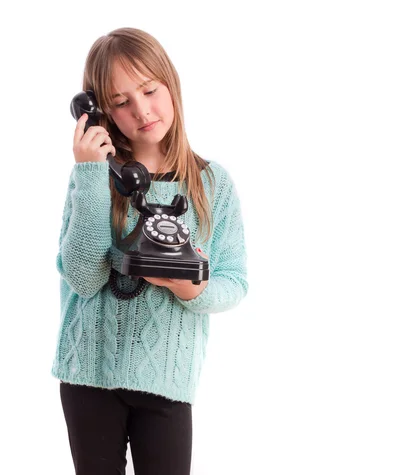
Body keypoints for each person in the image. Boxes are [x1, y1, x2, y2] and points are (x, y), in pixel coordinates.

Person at [51, 27, 248, 475]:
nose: (141, 110)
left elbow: (235, 281)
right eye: (120, 102)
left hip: (167, 379)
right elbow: (83, 277)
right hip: (89, 375)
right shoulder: (91, 177)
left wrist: (189, 286)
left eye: (149, 90)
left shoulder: (212, 185)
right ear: (99, 112)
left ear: (170, 83)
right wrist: (91, 173)